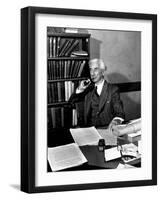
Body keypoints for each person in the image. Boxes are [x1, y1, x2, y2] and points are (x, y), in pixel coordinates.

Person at [69, 58, 125, 128]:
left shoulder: (113, 90)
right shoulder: (87, 89)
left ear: (103, 72)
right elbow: (71, 103)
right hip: (88, 129)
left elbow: (120, 113)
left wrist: (115, 122)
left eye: (95, 69)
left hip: (106, 128)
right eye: (90, 69)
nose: (92, 73)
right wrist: (80, 89)